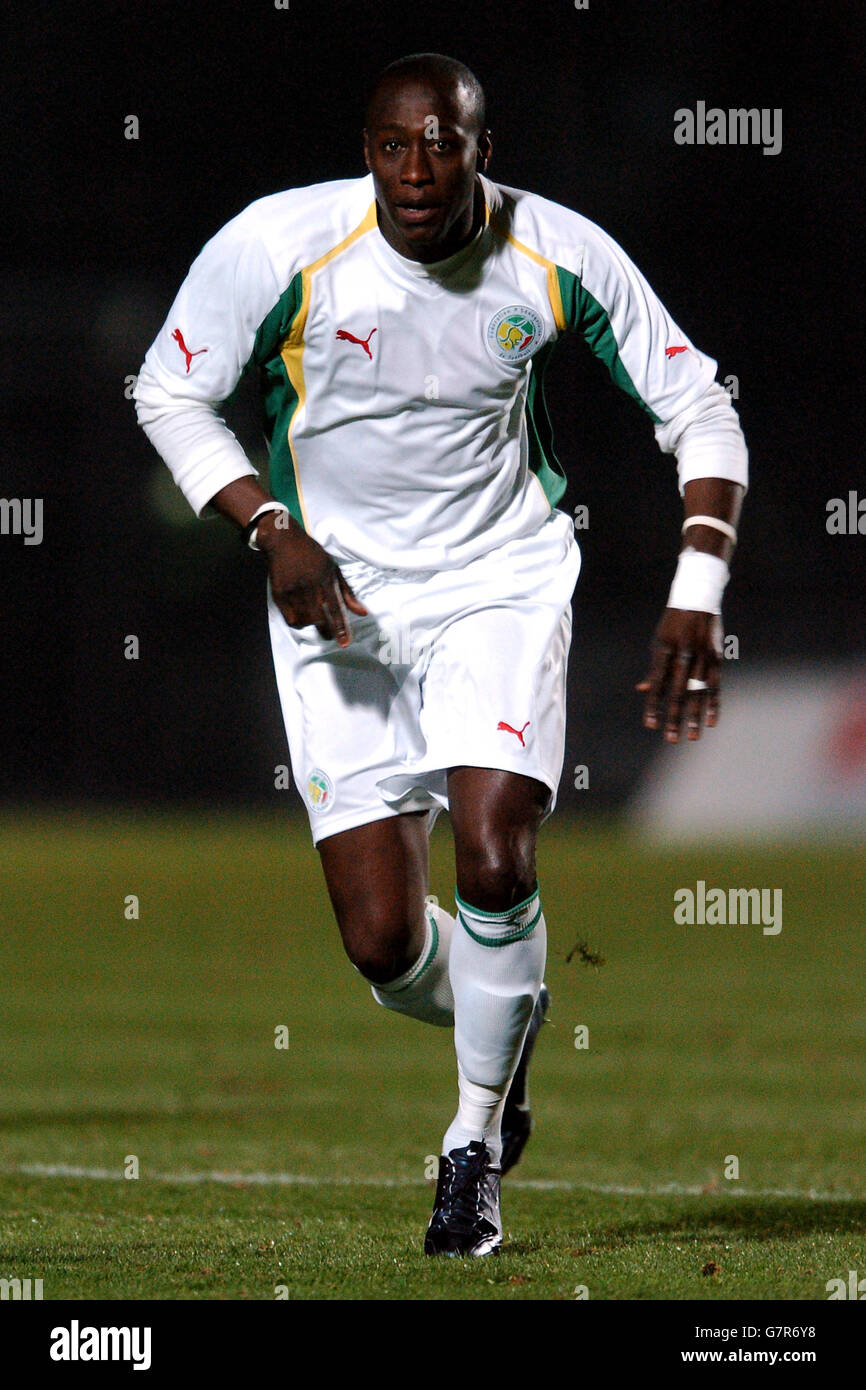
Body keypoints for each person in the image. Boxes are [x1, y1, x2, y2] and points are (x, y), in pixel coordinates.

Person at [133, 52, 747, 1257]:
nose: (416, 172)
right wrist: (269, 527)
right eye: (392, 147)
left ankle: (468, 1148)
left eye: (442, 144)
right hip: (335, 603)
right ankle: (501, 1015)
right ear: (366, 151)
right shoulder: (277, 244)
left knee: (493, 851)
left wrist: (695, 587)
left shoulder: (556, 254)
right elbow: (167, 391)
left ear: (480, 146)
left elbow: (699, 407)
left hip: (498, 584)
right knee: (382, 944)